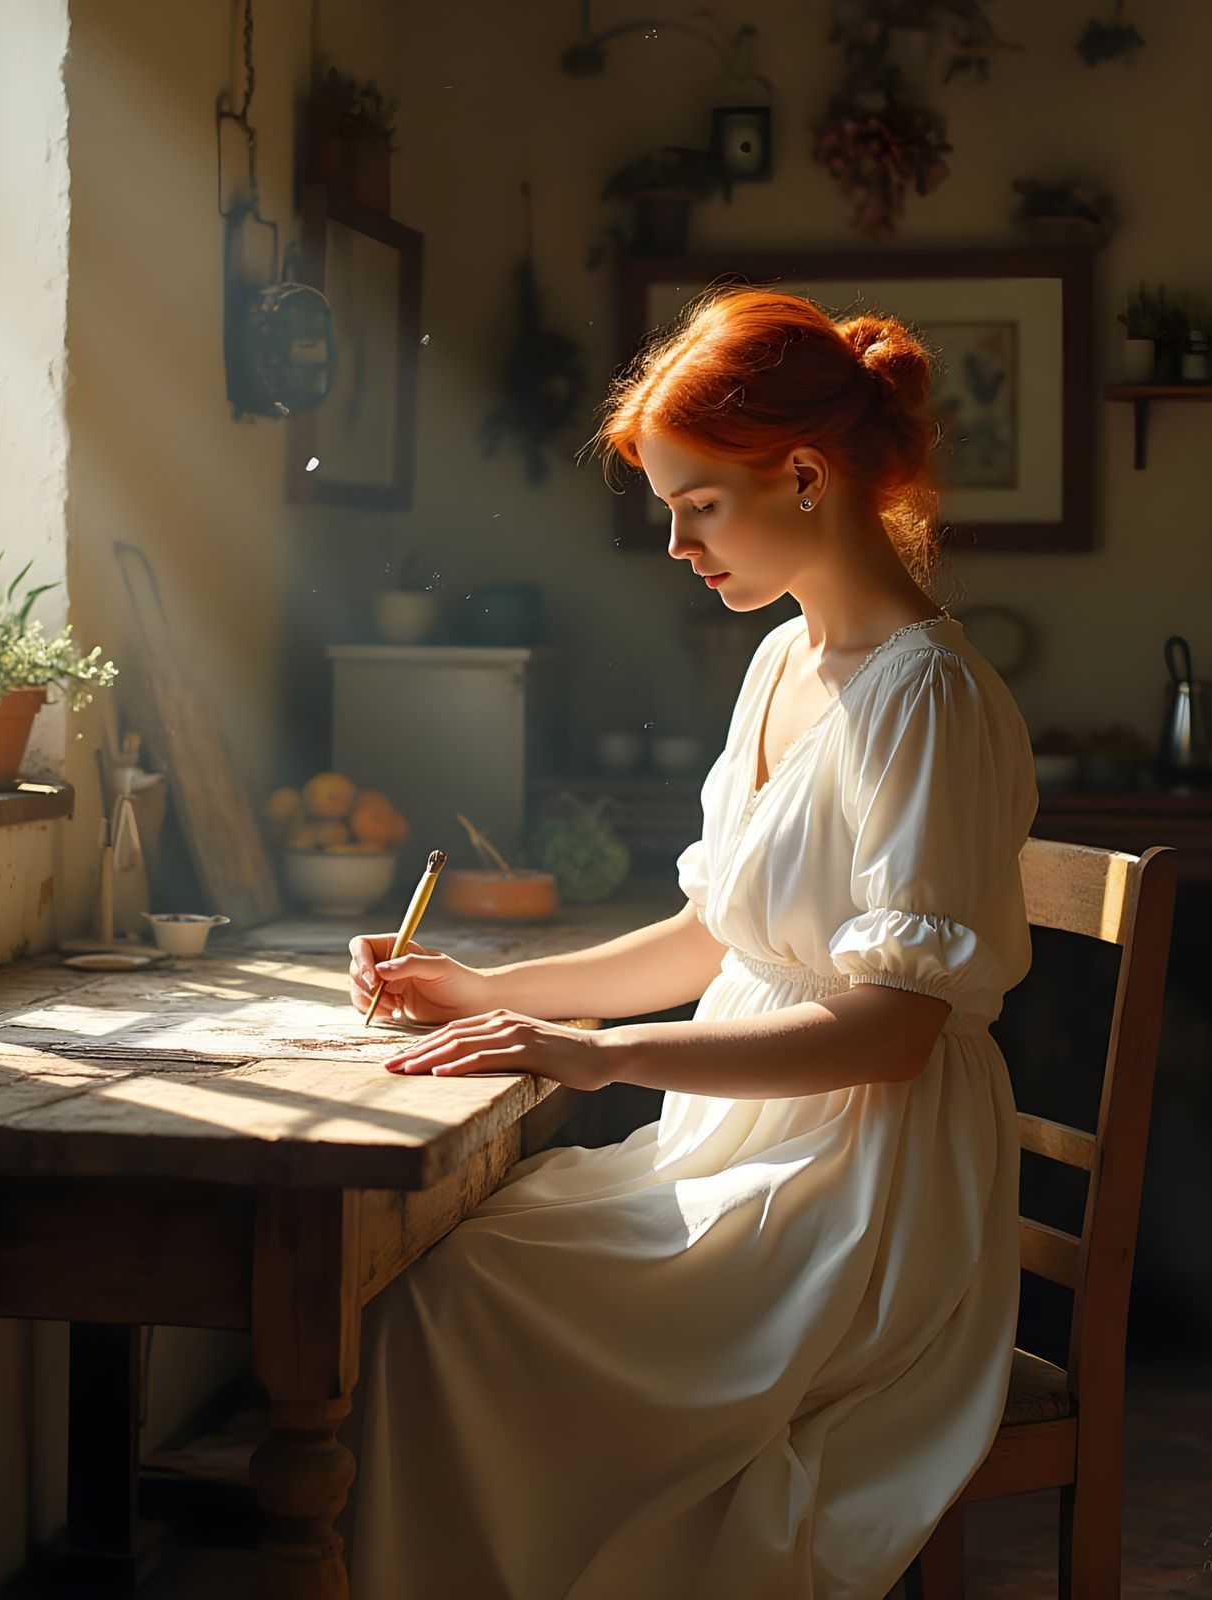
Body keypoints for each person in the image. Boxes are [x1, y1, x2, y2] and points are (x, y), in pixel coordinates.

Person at [339, 286, 1040, 1599]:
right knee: (446, 1275)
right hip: (748, 1148)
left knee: (455, 1308)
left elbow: (894, 1033)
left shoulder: (929, 698)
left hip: (858, 1197)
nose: (675, 543)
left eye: (698, 504)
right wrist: (486, 990)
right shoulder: (783, 661)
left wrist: (602, 1060)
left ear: (807, 475)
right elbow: (711, 935)